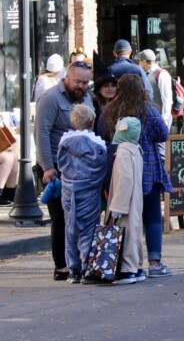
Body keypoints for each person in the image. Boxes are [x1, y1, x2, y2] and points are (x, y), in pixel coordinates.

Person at [97, 73, 172, 278]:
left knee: (127, 219)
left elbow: (102, 134)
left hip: (120, 170)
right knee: (152, 217)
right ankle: (155, 263)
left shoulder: (110, 111)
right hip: (147, 168)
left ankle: (127, 263)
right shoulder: (148, 110)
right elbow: (163, 134)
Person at [35, 60, 94, 281]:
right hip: (58, 168)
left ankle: (78, 261)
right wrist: (47, 167)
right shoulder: (50, 98)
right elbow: (41, 133)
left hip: (83, 169)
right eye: (78, 81)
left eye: (85, 82)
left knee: (79, 217)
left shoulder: (86, 97)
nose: (81, 86)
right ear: (66, 78)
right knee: (60, 218)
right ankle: (61, 266)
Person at [56, 104, 108, 284]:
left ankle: (73, 269)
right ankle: (88, 266)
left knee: (70, 229)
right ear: (92, 122)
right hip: (90, 192)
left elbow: (60, 166)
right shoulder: (98, 145)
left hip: (69, 191)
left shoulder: (64, 143)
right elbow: (102, 169)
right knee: (89, 229)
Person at [106, 116, 145, 285]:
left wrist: (117, 206)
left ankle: (127, 270)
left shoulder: (122, 152)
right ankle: (137, 267)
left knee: (126, 234)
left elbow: (124, 181)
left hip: (125, 203)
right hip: (136, 201)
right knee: (135, 233)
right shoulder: (136, 150)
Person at [137, 48, 173, 131]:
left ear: (144, 61)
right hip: (150, 117)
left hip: (159, 117)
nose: (138, 63)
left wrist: (164, 119)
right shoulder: (145, 74)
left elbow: (167, 98)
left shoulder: (161, 74)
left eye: (139, 61)